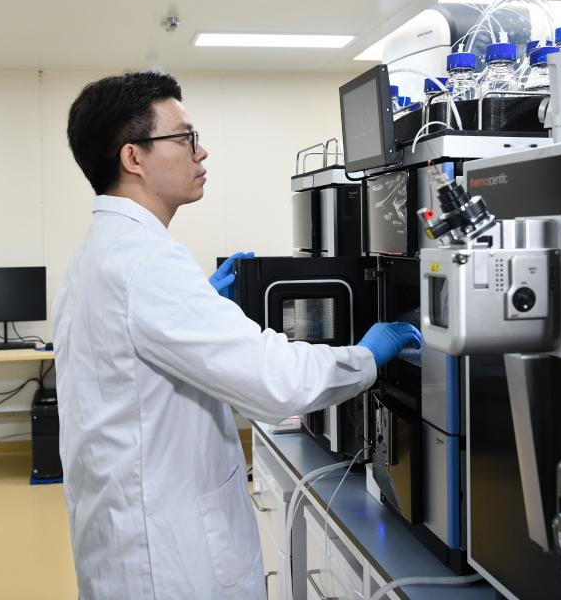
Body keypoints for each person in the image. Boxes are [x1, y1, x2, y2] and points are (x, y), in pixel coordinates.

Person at [53, 71, 421, 599]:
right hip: (167, 559)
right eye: (186, 138)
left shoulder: (98, 253)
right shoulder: (147, 265)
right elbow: (277, 382)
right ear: (133, 157)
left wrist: (196, 311)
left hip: (124, 534)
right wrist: (367, 354)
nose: (201, 152)